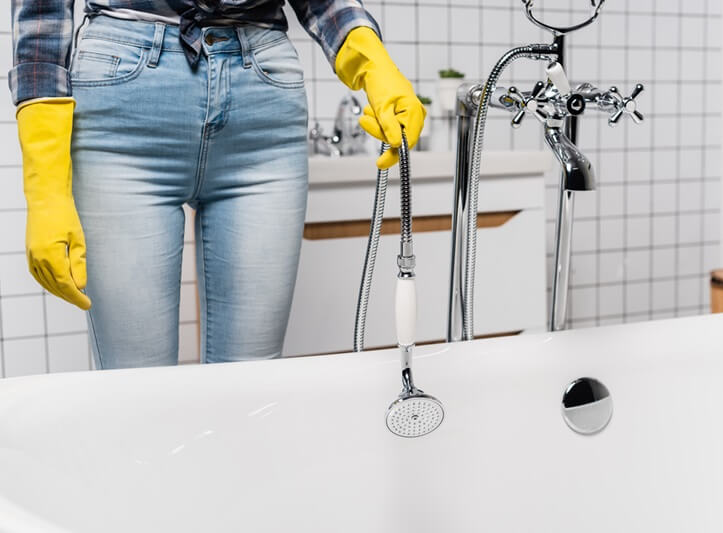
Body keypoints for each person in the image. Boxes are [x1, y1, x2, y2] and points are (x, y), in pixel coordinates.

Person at [9, 1, 425, 369]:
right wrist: (45, 184)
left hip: (263, 98)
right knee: (134, 391)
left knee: (249, 387)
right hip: (123, 98)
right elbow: (42, 15)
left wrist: (371, 61)